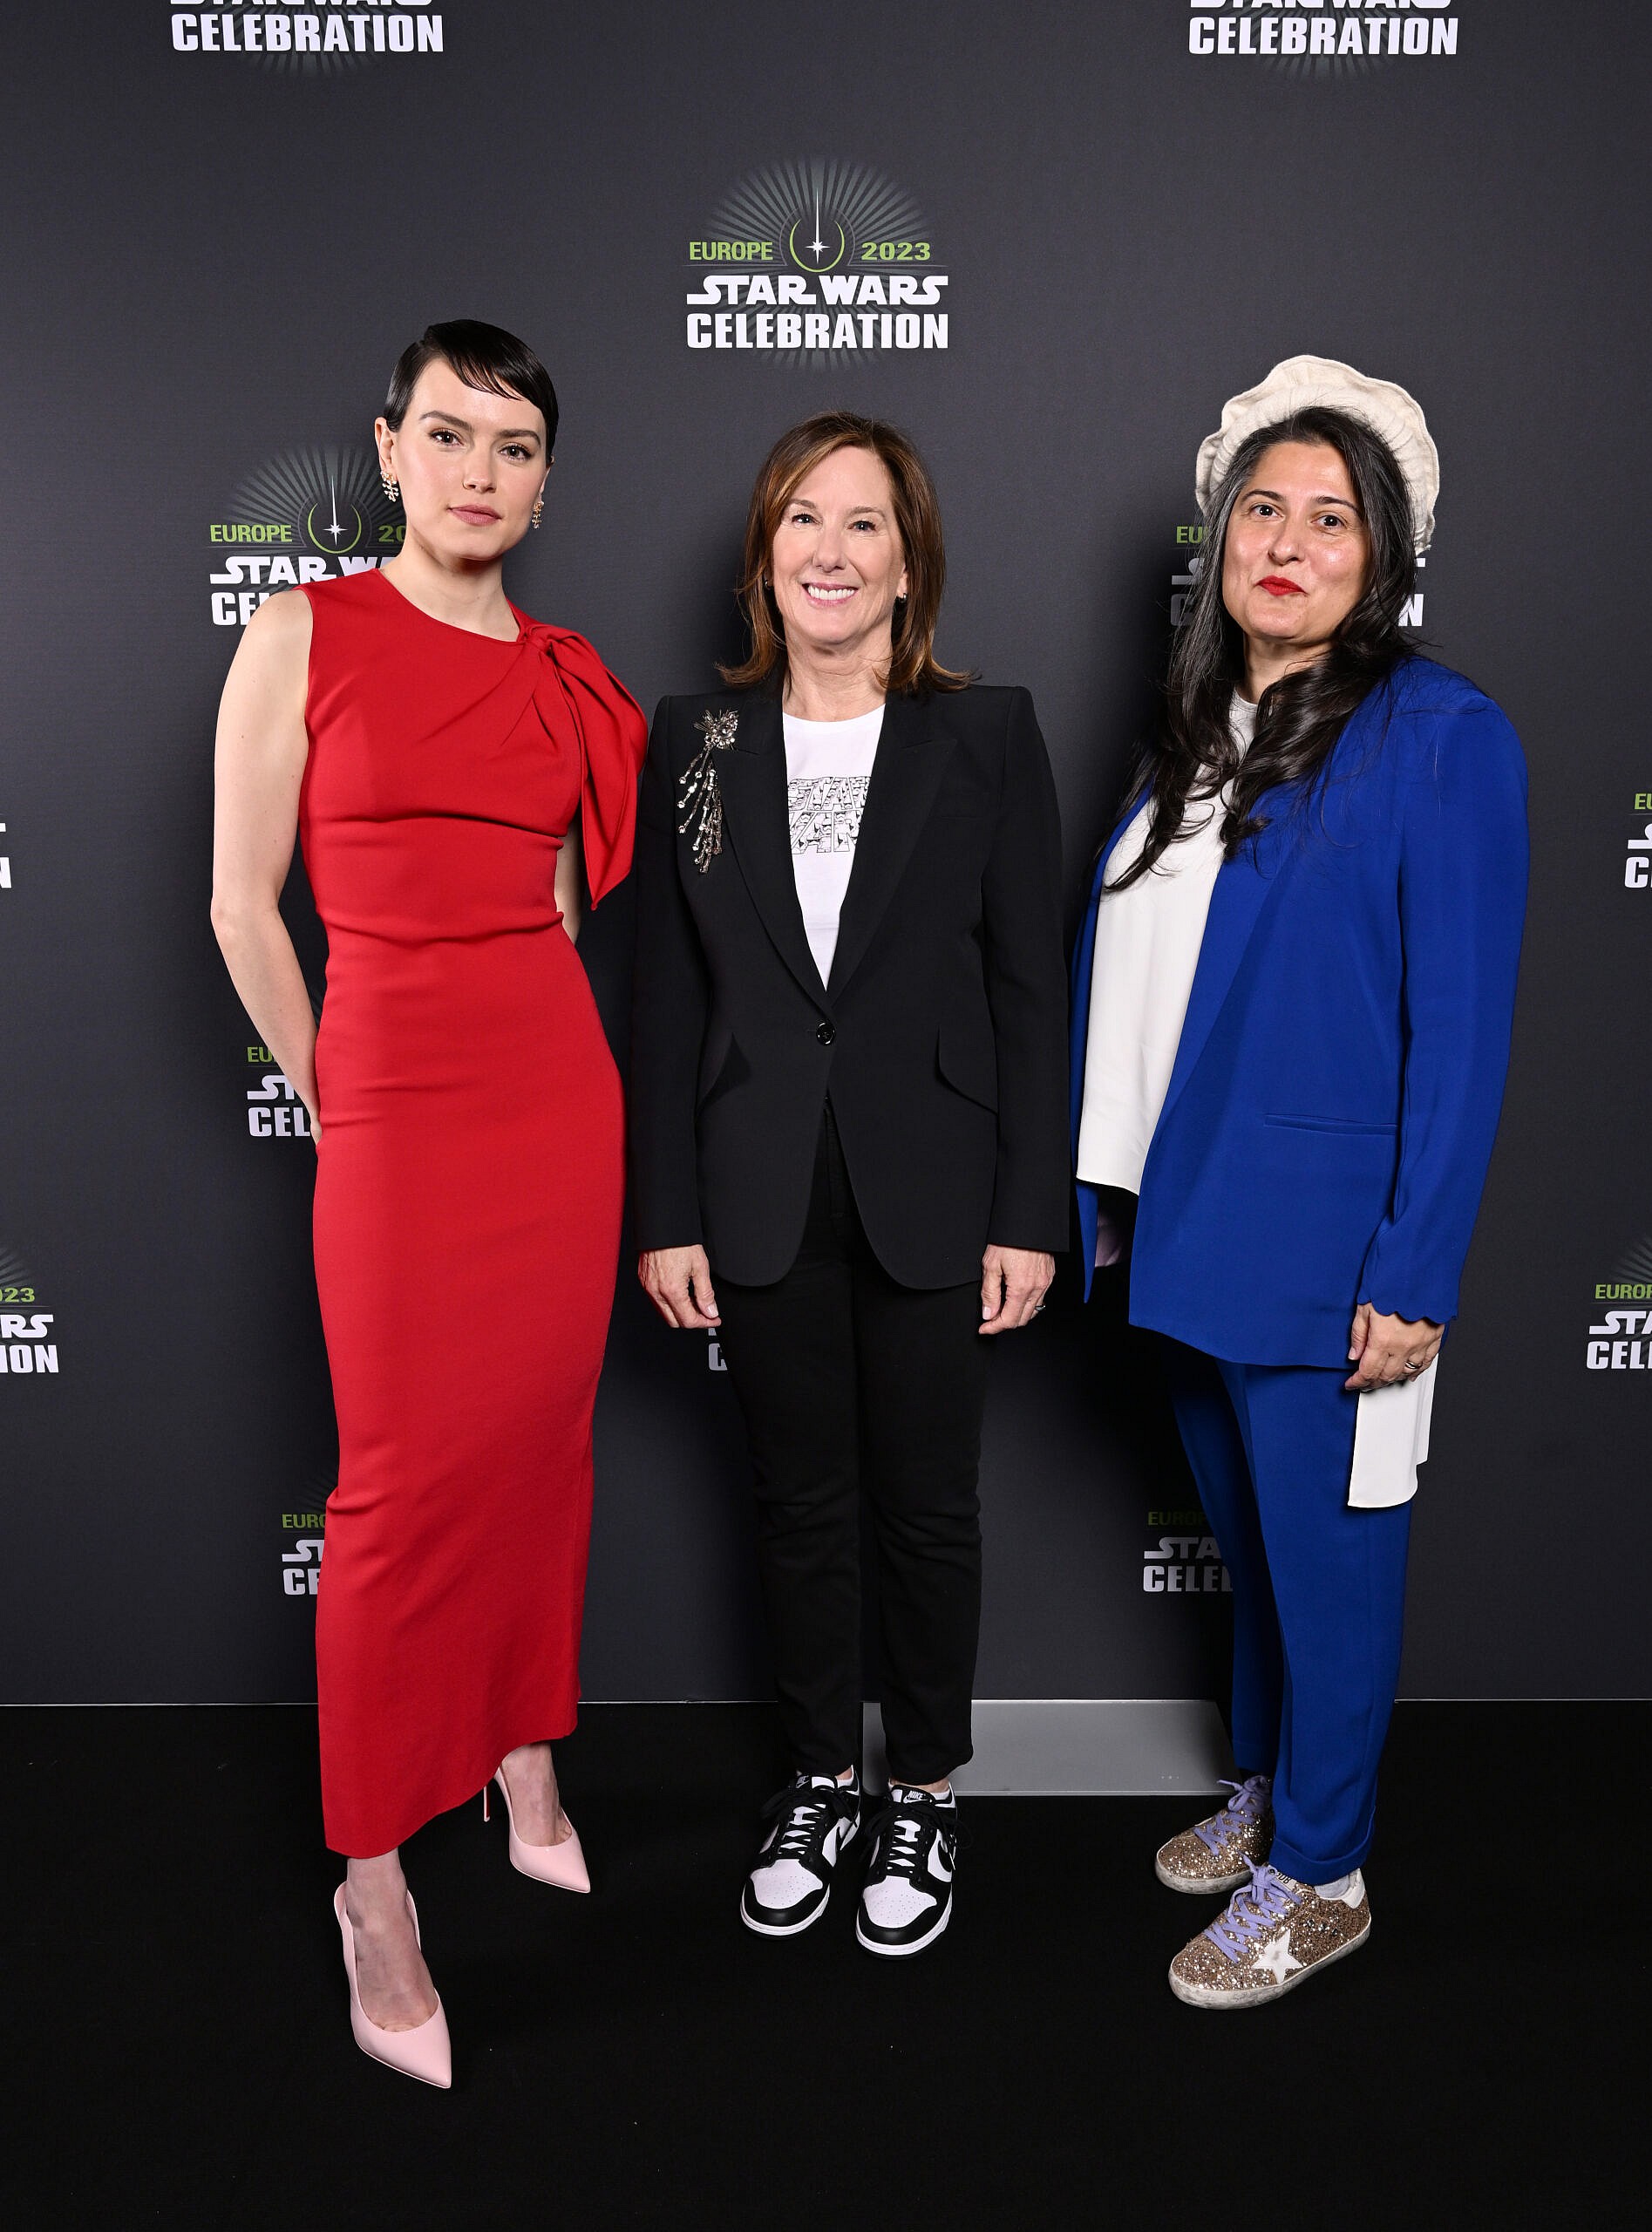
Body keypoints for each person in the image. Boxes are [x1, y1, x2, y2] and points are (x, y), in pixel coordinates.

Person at [211, 321, 646, 2083]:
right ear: (388, 448)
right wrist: (339, 1083)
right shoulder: (302, 629)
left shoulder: (567, 672)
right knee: (394, 1487)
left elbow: (554, 914)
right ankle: (373, 1885)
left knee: (543, 1440)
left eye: (517, 445)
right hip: (388, 1082)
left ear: (545, 480)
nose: (482, 470)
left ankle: (525, 1743)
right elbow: (248, 907)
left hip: (557, 1091)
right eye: (451, 434)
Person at [1070, 357, 1528, 2007]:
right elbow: (1147, 984)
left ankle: (1322, 1871)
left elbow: (1462, 1038)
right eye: (1263, 506)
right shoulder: (1199, 734)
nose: (1288, 540)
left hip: (1335, 1256)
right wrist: (1103, 1193)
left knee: (1331, 1566)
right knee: (1255, 1551)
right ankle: (1268, 1792)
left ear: (1383, 554)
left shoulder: (1442, 736)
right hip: (1186, 1231)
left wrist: (1415, 1272)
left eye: (1330, 519)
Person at [630, 412, 1069, 1957]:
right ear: (764, 555)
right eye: (802, 520)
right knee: (798, 1504)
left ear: (910, 560)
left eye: (864, 523)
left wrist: (1032, 1211)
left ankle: (927, 1788)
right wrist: (666, 1208)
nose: (830, 549)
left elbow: (1031, 990)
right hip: (754, 1188)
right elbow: (669, 999)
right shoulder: (695, 739)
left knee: (928, 1508)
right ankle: (822, 1776)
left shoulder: (986, 733)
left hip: (937, 1188)